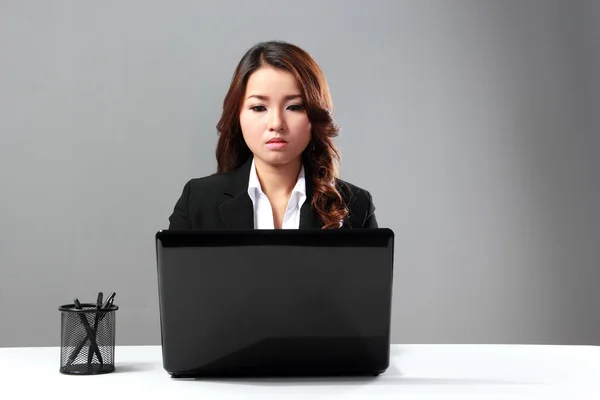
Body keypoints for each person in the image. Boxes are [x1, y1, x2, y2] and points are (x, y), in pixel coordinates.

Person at [168, 41, 377, 230]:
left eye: (294, 107)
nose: (276, 124)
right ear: (237, 115)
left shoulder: (356, 206)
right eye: (259, 108)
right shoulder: (198, 201)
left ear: (315, 115)